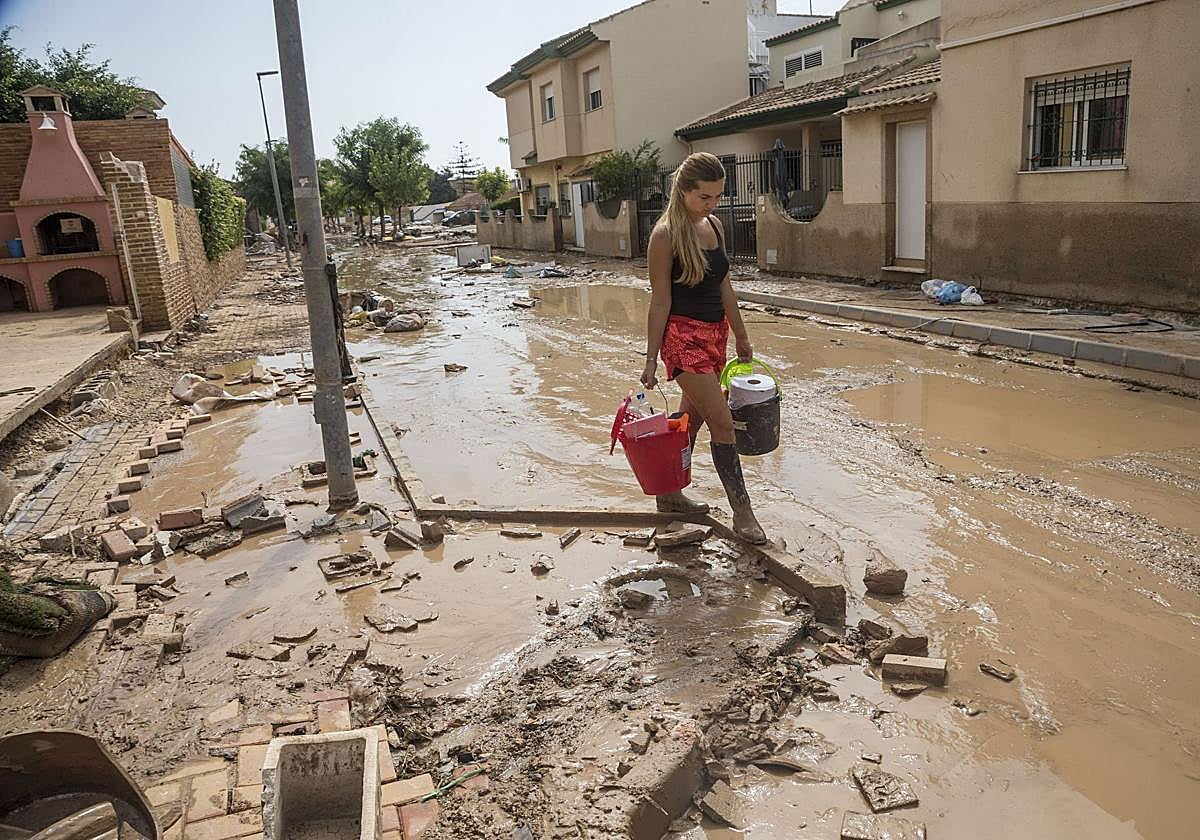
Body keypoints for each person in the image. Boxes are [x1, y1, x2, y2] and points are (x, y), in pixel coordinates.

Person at [641, 152, 767, 545]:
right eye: (705, 197)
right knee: (723, 421)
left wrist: (742, 336)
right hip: (682, 338)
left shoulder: (714, 225)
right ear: (683, 191)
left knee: (689, 420)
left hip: (716, 334)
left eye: (718, 197)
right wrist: (650, 358)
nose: (713, 205)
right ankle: (743, 512)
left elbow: (725, 287)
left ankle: (669, 494)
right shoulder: (664, 236)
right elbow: (660, 300)